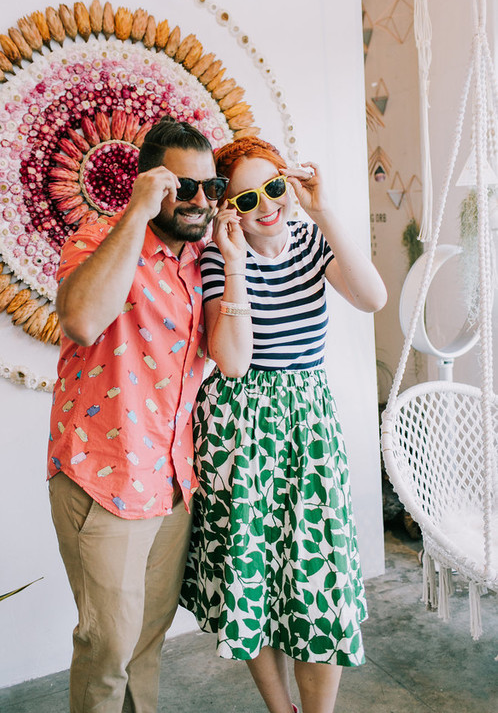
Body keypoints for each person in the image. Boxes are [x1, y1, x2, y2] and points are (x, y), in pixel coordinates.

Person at [180, 137, 387, 713]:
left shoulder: (312, 239)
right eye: (247, 198)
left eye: (275, 187)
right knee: (250, 572)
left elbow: (372, 297)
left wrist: (324, 211)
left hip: (308, 423)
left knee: (319, 578)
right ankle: (280, 709)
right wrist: (239, 260)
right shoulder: (220, 256)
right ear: (228, 206)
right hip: (238, 428)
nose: (266, 206)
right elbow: (234, 361)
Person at [48, 115, 230, 713]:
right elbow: (80, 319)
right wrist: (133, 213)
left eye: (212, 186)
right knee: (107, 650)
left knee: (147, 643)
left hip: (175, 481)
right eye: (185, 187)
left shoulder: (203, 262)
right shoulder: (99, 239)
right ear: (151, 182)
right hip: (106, 477)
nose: (201, 200)